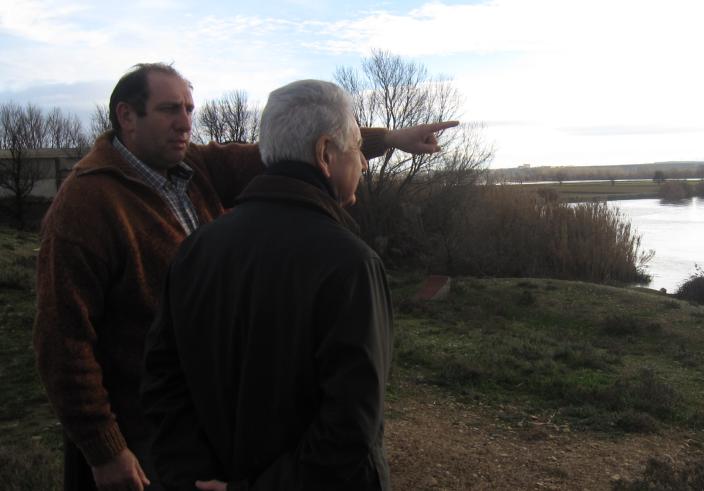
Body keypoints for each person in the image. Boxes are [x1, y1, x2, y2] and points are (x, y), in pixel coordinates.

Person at [33, 63, 454, 491]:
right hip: (143, 425)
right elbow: (61, 337)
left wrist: (389, 140)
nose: (185, 122)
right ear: (126, 116)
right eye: (169, 109)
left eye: (189, 108)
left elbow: (287, 151)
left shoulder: (191, 167)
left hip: (206, 407)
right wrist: (104, 447)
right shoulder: (85, 203)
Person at [142, 79, 392, 490]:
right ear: (325, 154)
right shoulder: (350, 264)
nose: (363, 163)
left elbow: (162, 382)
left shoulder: (196, 249)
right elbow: (350, 426)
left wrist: (190, 477)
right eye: (358, 148)